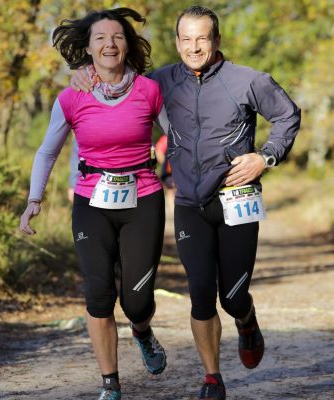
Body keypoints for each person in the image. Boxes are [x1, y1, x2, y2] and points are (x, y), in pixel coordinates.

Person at [70, 5, 301, 400]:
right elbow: (117, 84)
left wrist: (265, 157)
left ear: (217, 40)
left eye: (203, 38)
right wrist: (81, 73)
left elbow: (288, 115)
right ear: (177, 42)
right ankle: (212, 378)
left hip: (235, 200)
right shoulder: (159, 83)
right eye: (187, 39)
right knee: (200, 293)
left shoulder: (248, 80)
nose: (195, 46)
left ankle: (246, 319)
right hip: (190, 204)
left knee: (232, 296)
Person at [19, 8, 169, 400]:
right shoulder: (72, 96)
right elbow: (47, 152)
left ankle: (142, 330)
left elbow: (179, 141)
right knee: (98, 296)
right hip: (91, 201)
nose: (109, 44)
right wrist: (34, 199)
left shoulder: (149, 91)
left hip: (143, 198)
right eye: (100, 37)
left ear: (127, 45)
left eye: (117, 36)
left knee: (137, 302)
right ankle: (110, 384)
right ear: (88, 47)